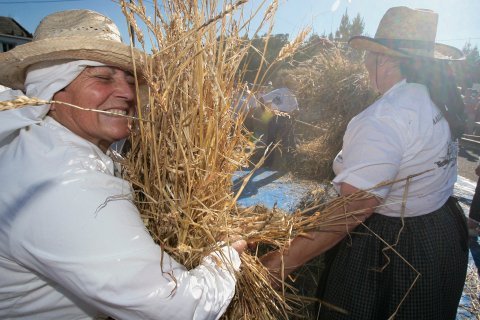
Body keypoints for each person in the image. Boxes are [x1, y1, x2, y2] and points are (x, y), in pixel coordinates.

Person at [0, 10, 246, 320]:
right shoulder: (62, 180)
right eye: (102, 77)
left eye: (131, 78)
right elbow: (180, 308)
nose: (128, 93)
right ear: (52, 89)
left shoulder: (47, 144)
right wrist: (224, 259)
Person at [261, 7, 468, 319]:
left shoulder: (384, 117)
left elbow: (352, 210)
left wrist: (279, 264)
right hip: (440, 232)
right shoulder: (436, 99)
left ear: (383, 59)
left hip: (395, 250)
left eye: (369, 54)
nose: (364, 61)